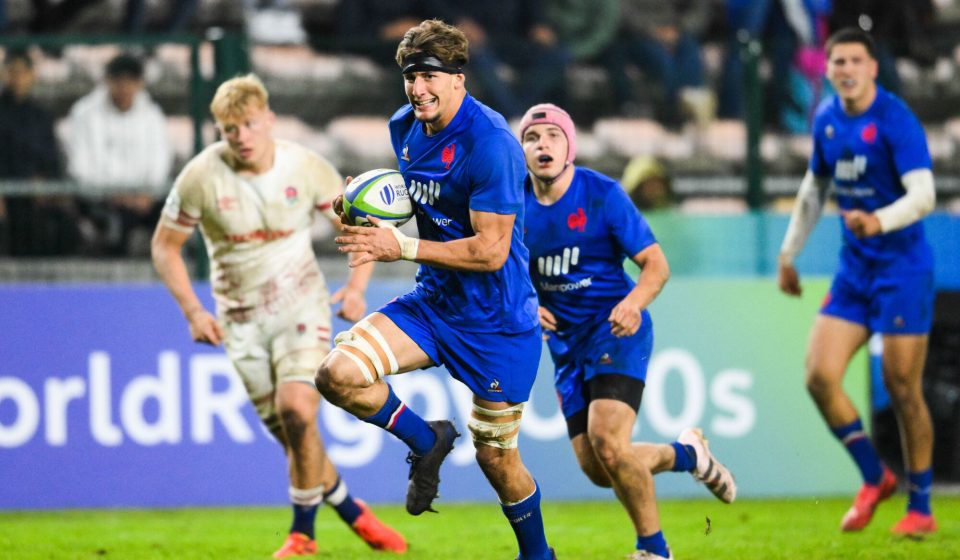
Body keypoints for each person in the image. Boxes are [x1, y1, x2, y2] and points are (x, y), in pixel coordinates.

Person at [314, 19, 556, 560]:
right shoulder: (404, 126)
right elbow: (415, 200)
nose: (417, 88)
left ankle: (538, 556)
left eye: (428, 75)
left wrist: (400, 248)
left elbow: (492, 250)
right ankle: (427, 440)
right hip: (434, 304)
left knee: (498, 460)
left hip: (497, 320)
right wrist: (357, 204)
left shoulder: (491, 145)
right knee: (338, 375)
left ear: (458, 79)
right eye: (409, 76)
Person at [150, 74, 407, 558]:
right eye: (230, 130)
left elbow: (358, 224)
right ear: (219, 132)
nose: (241, 136)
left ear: (268, 119)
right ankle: (353, 511)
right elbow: (165, 248)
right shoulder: (201, 178)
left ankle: (302, 536)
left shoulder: (304, 167)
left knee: (297, 409)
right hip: (240, 323)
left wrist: (356, 287)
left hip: (300, 308)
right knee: (296, 437)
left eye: (249, 124)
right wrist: (192, 309)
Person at [518, 103, 736, 560]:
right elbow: (501, 271)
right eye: (532, 138)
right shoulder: (512, 206)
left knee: (609, 442)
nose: (543, 146)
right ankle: (687, 455)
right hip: (564, 346)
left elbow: (656, 264)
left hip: (615, 329)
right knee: (600, 467)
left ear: (569, 147)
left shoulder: (602, 194)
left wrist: (633, 303)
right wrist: (527, 304)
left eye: (552, 137)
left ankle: (653, 550)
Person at [778, 28, 938, 536]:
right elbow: (813, 189)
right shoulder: (826, 120)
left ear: (872, 68)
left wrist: (881, 221)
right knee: (819, 375)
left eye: (854, 61)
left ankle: (922, 509)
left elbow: (925, 195)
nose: (845, 70)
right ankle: (875, 476)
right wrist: (789, 252)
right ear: (827, 70)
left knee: (902, 386)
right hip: (855, 271)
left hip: (902, 268)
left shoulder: (895, 120)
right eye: (837, 62)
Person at [67, 53, 172, 255]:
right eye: (118, 81)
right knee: (117, 225)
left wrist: (146, 194)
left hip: (144, 199)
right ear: (107, 81)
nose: (124, 88)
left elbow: (160, 164)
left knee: (178, 217)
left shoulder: (153, 115)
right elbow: (80, 168)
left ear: (140, 83)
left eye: (130, 81)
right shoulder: (84, 113)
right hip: (99, 199)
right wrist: (112, 195)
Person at [0, 48, 80, 256]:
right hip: (7, 192)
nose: (17, 78)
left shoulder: (42, 116)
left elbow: (51, 159)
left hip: (38, 194)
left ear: (32, 75)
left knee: (66, 222)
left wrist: (48, 184)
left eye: (22, 72)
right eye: (12, 71)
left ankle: (58, 284)